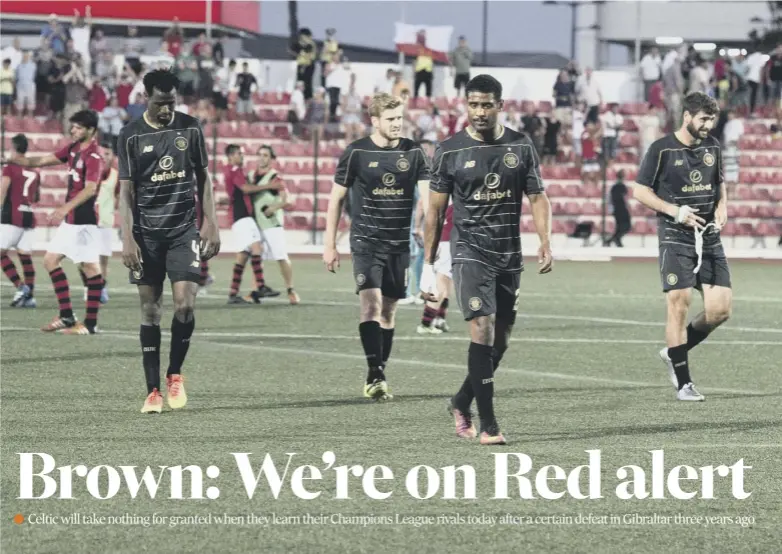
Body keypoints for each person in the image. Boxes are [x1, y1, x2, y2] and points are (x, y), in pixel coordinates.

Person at [421, 74, 553, 445]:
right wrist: (430, 267)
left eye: (486, 105)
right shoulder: (449, 151)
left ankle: (461, 401)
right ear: (466, 105)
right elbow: (434, 212)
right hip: (468, 251)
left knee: (501, 340)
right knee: (482, 327)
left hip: (508, 254)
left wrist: (545, 241)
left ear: (500, 105)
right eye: (473, 104)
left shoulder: (521, 146)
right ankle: (490, 425)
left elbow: (538, 198)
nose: (479, 112)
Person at [117, 69, 221, 414]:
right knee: (150, 309)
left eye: (171, 103)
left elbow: (204, 178)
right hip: (146, 235)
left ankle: (175, 374)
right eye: (160, 103)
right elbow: (126, 192)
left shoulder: (190, 127)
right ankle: (152, 392)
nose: (166, 110)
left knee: (185, 305)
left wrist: (211, 223)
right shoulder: (130, 135)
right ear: (146, 98)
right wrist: (127, 238)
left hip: (182, 231)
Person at [323, 92, 431, 401]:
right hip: (366, 241)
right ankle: (375, 372)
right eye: (391, 119)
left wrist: (426, 228)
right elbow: (335, 200)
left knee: (389, 311)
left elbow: (428, 197)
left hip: (399, 244)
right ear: (375, 121)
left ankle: (378, 372)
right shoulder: (355, 153)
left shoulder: (414, 153)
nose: (398, 124)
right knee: (370, 304)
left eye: (400, 118)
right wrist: (329, 244)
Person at [632, 92, 730, 402]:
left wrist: (723, 206)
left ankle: (674, 352)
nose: (708, 124)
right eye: (703, 118)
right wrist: (676, 211)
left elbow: (720, 183)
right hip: (675, 235)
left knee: (720, 310)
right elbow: (639, 191)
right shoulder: (661, 149)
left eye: (711, 119)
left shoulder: (713, 146)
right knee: (679, 301)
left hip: (709, 236)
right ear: (687, 117)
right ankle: (684, 382)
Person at [10, 110, 105, 335]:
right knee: (51, 260)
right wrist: (16, 160)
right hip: (71, 221)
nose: (72, 130)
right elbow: (42, 160)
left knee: (90, 268)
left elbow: (91, 189)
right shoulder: (72, 149)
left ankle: (89, 324)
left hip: (84, 220)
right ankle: (66, 315)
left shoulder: (94, 156)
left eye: (78, 127)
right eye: (72, 126)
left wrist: (65, 207)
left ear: (91, 130)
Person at [222, 144, 279, 305]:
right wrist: (269, 185)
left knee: (243, 255)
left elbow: (235, 193)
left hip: (239, 216)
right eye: (239, 154)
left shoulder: (231, 170)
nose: (242, 156)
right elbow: (245, 189)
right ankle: (260, 286)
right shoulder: (234, 170)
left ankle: (233, 294)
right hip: (242, 216)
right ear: (231, 156)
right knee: (256, 248)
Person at [247, 145, 299, 304]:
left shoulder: (275, 177)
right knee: (256, 258)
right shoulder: (250, 175)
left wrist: (274, 208)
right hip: (255, 223)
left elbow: (288, 200)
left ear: (271, 159)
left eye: (265, 155)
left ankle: (290, 289)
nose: (262, 158)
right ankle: (255, 290)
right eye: (260, 155)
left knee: (281, 256)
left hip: (272, 224)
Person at [1, 134, 39, 308]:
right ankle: (29, 296)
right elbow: (36, 196)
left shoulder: (10, 167)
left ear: (14, 148)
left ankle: (21, 287)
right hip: (28, 215)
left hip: (12, 216)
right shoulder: (34, 170)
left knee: (1, 253)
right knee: (25, 257)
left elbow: (3, 190)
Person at [417, 203, 453, 334]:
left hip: (444, 239)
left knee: (447, 282)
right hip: (448, 241)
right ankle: (425, 324)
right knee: (442, 284)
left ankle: (439, 320)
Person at [605, 169, 631, 247]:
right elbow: (624, 199)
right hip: (621, 209)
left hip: (617, 209)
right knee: (625, 226)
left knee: (620, 227)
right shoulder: (621, 186)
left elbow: (609, 199)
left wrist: (611, 209)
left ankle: (613, 240)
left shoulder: (614, 187)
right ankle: (615, 239)